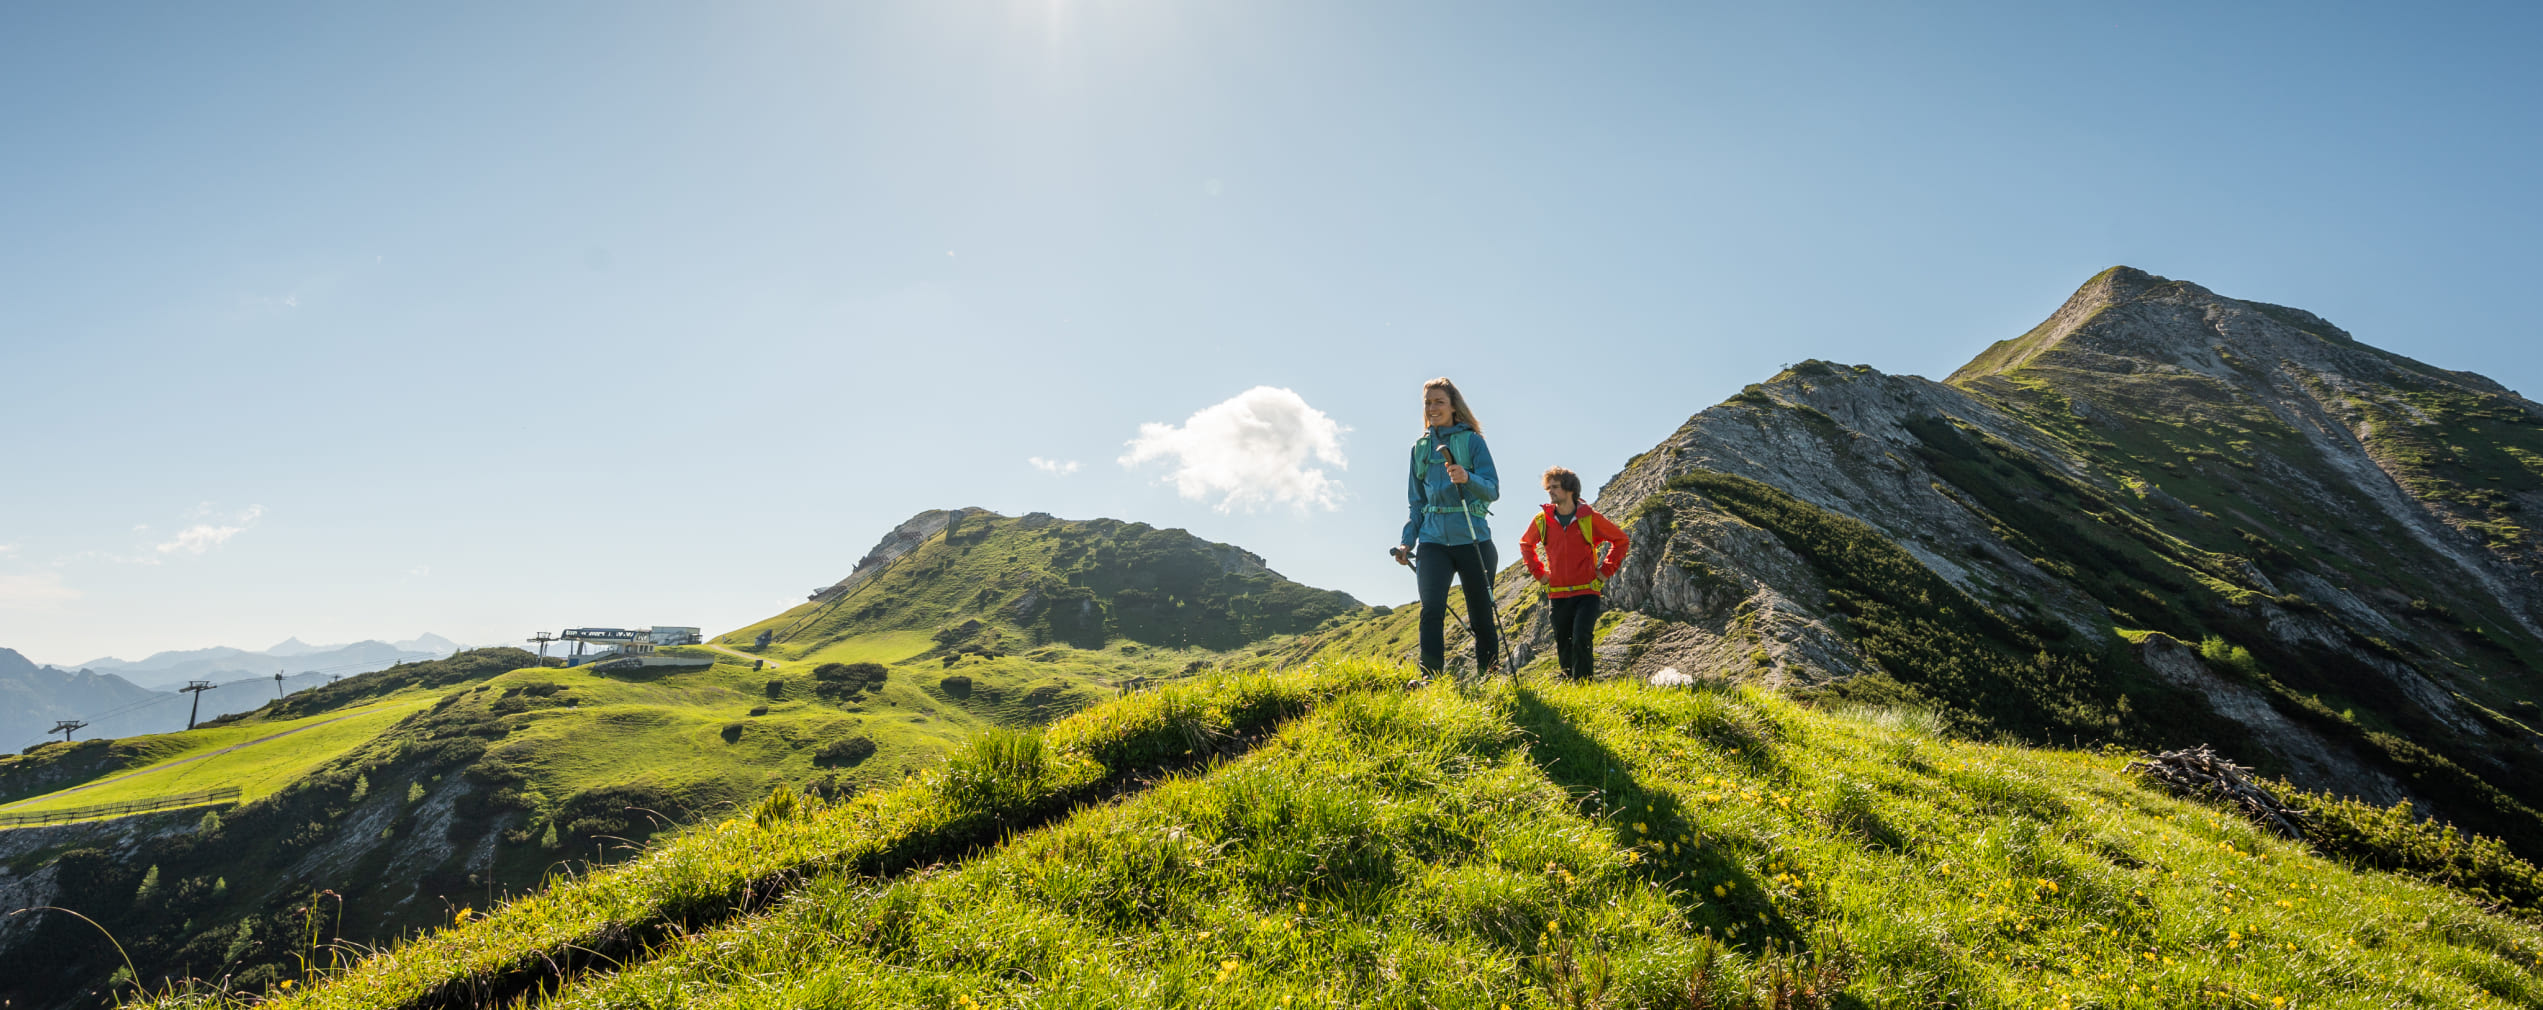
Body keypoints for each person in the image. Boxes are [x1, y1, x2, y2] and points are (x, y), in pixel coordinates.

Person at [1394, 377, 1501, 678]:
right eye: (1428, 402)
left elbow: (1492, 490)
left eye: (1439, 401)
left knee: (1481, 616)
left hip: (1473, 539)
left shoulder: (1473, 442)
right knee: (1431, 612)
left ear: (1454, 406)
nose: (1432, 407)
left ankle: (1489, 678)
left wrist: (1467, 478)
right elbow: (1416, 504)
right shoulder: (1419, 449)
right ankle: (1430, 679)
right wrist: (1406, 543)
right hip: (1432, 542)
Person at [1519, 466, 1629, 681]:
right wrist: (1539, 574)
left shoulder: (1590, 518)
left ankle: (1584, 687)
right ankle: (1569, 686)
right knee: (1563, 642)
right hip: (1557, 594)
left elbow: (1621, 540)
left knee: (1581, 638)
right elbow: (1526, 544)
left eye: (1556, 487)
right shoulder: (1542, 520)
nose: (1550, 491)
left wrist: (1605, 571)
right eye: (1548, 487)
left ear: (1570, 489)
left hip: (1587, 593)